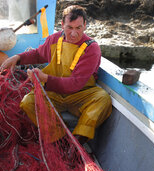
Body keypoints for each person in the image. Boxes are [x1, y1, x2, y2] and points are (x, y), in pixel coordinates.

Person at [0, 5, 112, 145]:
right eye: (69, 27)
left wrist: (45, 78)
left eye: (78, 28)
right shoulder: (54, 39)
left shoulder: (92, 48)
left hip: (81, 94)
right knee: (27, 102)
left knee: (103, 99)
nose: (73, 33)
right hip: (53, 93)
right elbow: (37, 54)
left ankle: (78, 141)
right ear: (62, 25)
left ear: (85, 26)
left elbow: (75, 84)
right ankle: (59, 139)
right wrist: (17, 58)